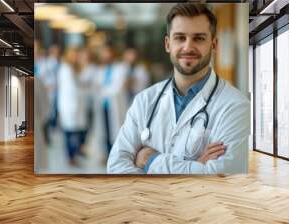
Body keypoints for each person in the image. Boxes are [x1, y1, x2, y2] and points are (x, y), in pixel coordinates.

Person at [107, 3, 250, 174]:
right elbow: (116, 167)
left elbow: (226, 176)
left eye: (198, 38)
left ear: (214, 44)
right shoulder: (144, 100)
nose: (188, 47)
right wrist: (197, 168)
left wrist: (150, 160)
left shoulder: (235, 106)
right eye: (180, 37)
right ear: (168, 44)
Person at [97, 44, 129, 157]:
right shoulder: (101, 69)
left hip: (115, 105)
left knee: (115, 130)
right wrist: (104, 90)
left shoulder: (121, 68)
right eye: (103, 53)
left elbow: (117, 88)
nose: (105, 55)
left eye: (108, 52)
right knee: (105, 130)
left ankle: (115, 155)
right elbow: (96, 86)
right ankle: (106, 154)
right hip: (103, 105)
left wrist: (103, 90)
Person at [57, 47, 88, 166]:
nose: (77, 57)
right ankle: (70, 157)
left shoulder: (75, 69)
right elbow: (73, 88)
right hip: (69, 106)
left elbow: (80, 84)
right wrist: (85, 88)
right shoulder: (66, 69)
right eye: (75, 55)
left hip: (76, 105)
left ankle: (76, 151)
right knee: (69, 132)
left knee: (79, 130)